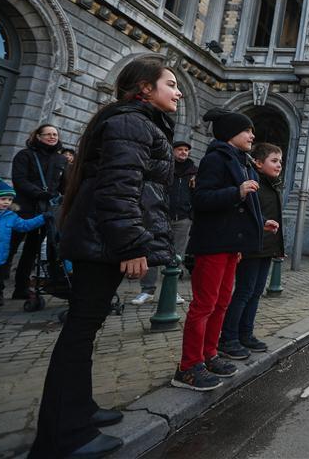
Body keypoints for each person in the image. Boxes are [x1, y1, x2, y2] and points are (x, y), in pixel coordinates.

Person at [29, 56, 181, 458]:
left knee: (87, 327)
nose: (178, 91)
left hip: (101, 238)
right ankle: (63, 436)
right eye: (170, 83)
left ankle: (80, 409)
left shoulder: (135, 121)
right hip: (104, 241)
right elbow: (119, 188)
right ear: (144, 88)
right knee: (80, 330)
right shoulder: (131, 122)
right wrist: (131, 245)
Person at [173, 108, 278, 391]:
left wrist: (260, 224)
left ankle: (209, 354)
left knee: (221, 302)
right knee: (204, 305)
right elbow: (203, 199)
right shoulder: (215, 159)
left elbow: (244, 207)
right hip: (213, 243)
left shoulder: (240, 161)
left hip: (232, 244)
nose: (252, 135)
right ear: (231, 133)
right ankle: (188, 366)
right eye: (247, 131)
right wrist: (237, 191)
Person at [220, 142, 285, 355]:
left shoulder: (273, 185)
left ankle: (246, 334)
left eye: (280, 162)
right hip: (251, 247)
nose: (279, 166)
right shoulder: (254, 183)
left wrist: (278, 247)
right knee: (244, 292)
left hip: (266, 247)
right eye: (274, 161)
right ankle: (229, 338)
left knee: (256, 292)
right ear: (258, 163)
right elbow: (247, 214)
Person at [7, 124, 68, 299]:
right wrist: (41, 193)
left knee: (32, 251)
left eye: (55, 134)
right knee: (9, 248)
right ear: (38, 137)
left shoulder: (61, 160)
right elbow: (19, 180)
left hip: (45, 212)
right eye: (48, 134)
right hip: (22, 208)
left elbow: (65, 184)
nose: (52, 137)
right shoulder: (25, 155)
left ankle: (21, 288)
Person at [131, 140, 195, 305]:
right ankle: (147, 290)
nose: (183, 152)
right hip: (159, 216)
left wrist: (190, 213)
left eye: (186, 150)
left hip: (182, 218)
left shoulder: (194, 171)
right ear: (172, 151)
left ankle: (172, 290)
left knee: (176, 256)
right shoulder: (163, 167)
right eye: (180, 149)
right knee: (152, 252)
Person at [0, 178, 46, 306]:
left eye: (10, 199)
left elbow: (24, 226)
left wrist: (43, 218)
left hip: (1, 258)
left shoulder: (11, 216)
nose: (6, 202)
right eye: (3, 199)